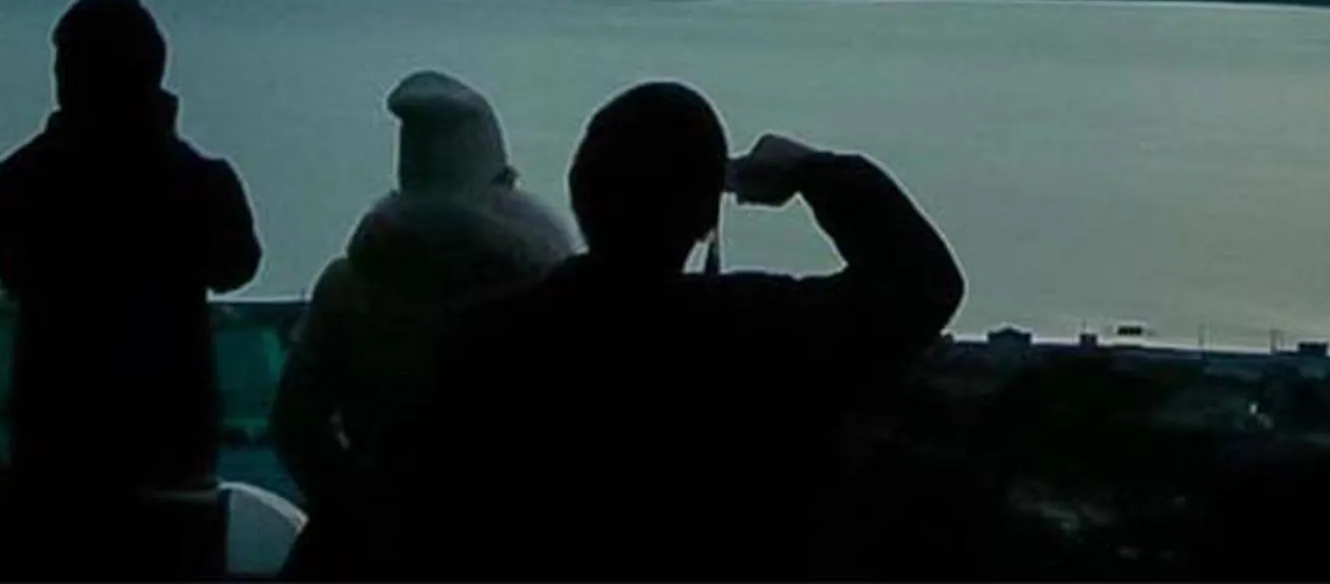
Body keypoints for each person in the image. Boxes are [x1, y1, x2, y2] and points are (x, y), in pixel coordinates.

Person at [387, 81, 963, 579]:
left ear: (578, 191)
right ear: (702, 217)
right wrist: (815, 171)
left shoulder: (490, 345)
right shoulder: (764, 334)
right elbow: (922, 284)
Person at [0, 0, 260, 577]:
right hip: (172, 442)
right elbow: (237, 265)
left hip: (55, 440)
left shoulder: (21, 179)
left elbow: (15, 273)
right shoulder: (201, 181)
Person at [272, 72, 573, 569]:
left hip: (368, 545)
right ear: (503, 184)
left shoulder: (348, 287)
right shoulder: (548, 293)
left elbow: (295, 425)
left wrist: (352, 505)